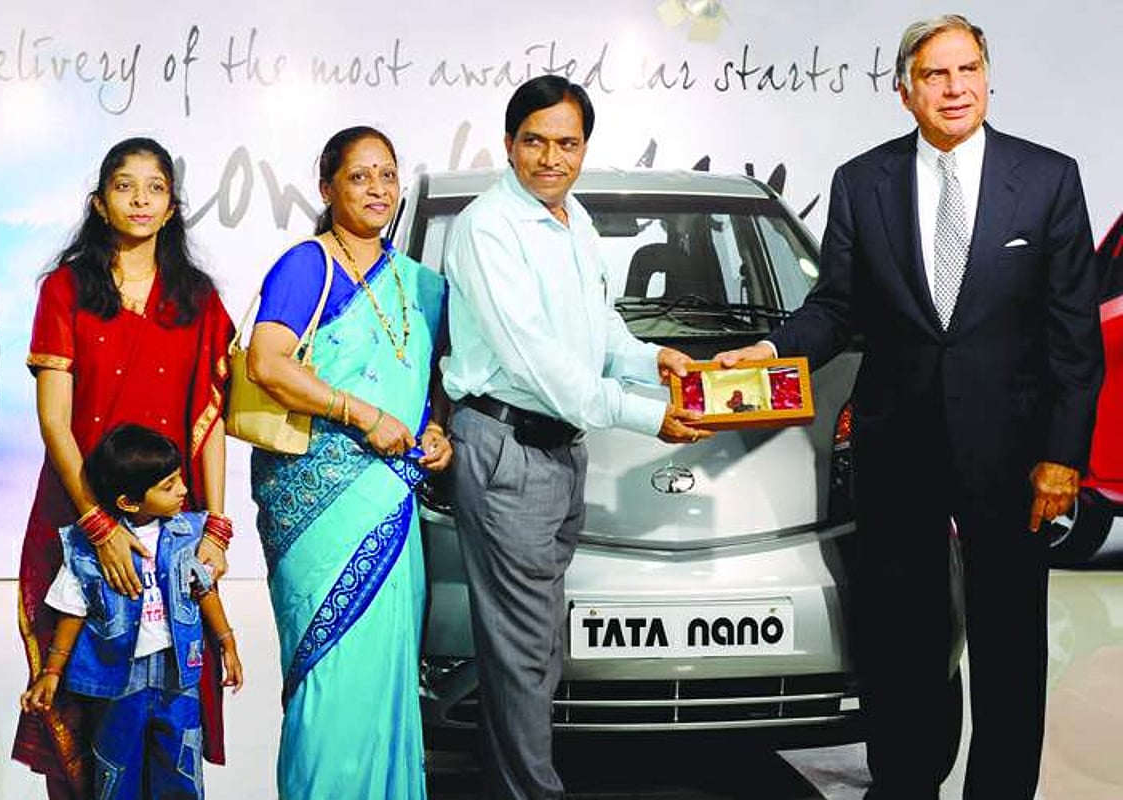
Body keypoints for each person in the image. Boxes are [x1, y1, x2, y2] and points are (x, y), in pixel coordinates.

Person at [718, 15, 1101, 799]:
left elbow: (1073, 338)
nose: (955, 88)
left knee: (1009, 645)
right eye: (936, 75)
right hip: (899, 451)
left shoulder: (1050, 179)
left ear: (989, 77)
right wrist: (773, 353)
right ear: (904, 91)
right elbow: (835, 307)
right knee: (905, 645)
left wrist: (1064, 456)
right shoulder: (865, 182)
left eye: (968, 70)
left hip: (1015, 459)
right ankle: (905, 783)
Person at [442, 75, 707, 799]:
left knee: (533, 649)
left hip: (558, 452)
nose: (550, 158)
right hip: (509, 447)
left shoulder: (572, 217)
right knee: (524, 652)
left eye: (567, 143)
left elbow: (597, 332)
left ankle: (516, 785)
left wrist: (650, 358)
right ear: (508, 144)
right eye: (535, 141)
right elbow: (538, 360)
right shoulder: (487, 228)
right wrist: (645, 413)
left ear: (585, 147)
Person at [14, 137, 236, 798]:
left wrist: (216, 529)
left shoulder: (195, 297)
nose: (140, 199)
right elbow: (56, 419)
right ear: (99, 202)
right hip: (79, 516)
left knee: (172, 706)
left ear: (172, 207)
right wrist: (96, 524)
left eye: (155, 188)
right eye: (124, 185)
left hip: (170, 526)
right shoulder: (66, 288)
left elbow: (213, 418)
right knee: (82, 696)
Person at [245, 125, 451, 799]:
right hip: (317, 516)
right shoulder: (307, 266)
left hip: (392, 504)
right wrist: (359, 414)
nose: (376, 189)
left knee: (386, 678)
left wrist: (438, 431)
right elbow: (266, 362)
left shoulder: (420, 285)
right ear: (328, 187)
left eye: (387, 176)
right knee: (328, 688)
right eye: (359, 177)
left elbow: (431, 386)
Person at [20, 424, 243, 800]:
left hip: (177, 678)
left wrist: (227, 643)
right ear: (129, 501)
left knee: (181, 768)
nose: (184, 491)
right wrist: (52, 671)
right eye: (169, 485)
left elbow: (204, 590)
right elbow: (73, 609)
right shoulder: (89, 548)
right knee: (115, 769)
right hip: (117, 680)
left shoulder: (188, 533)